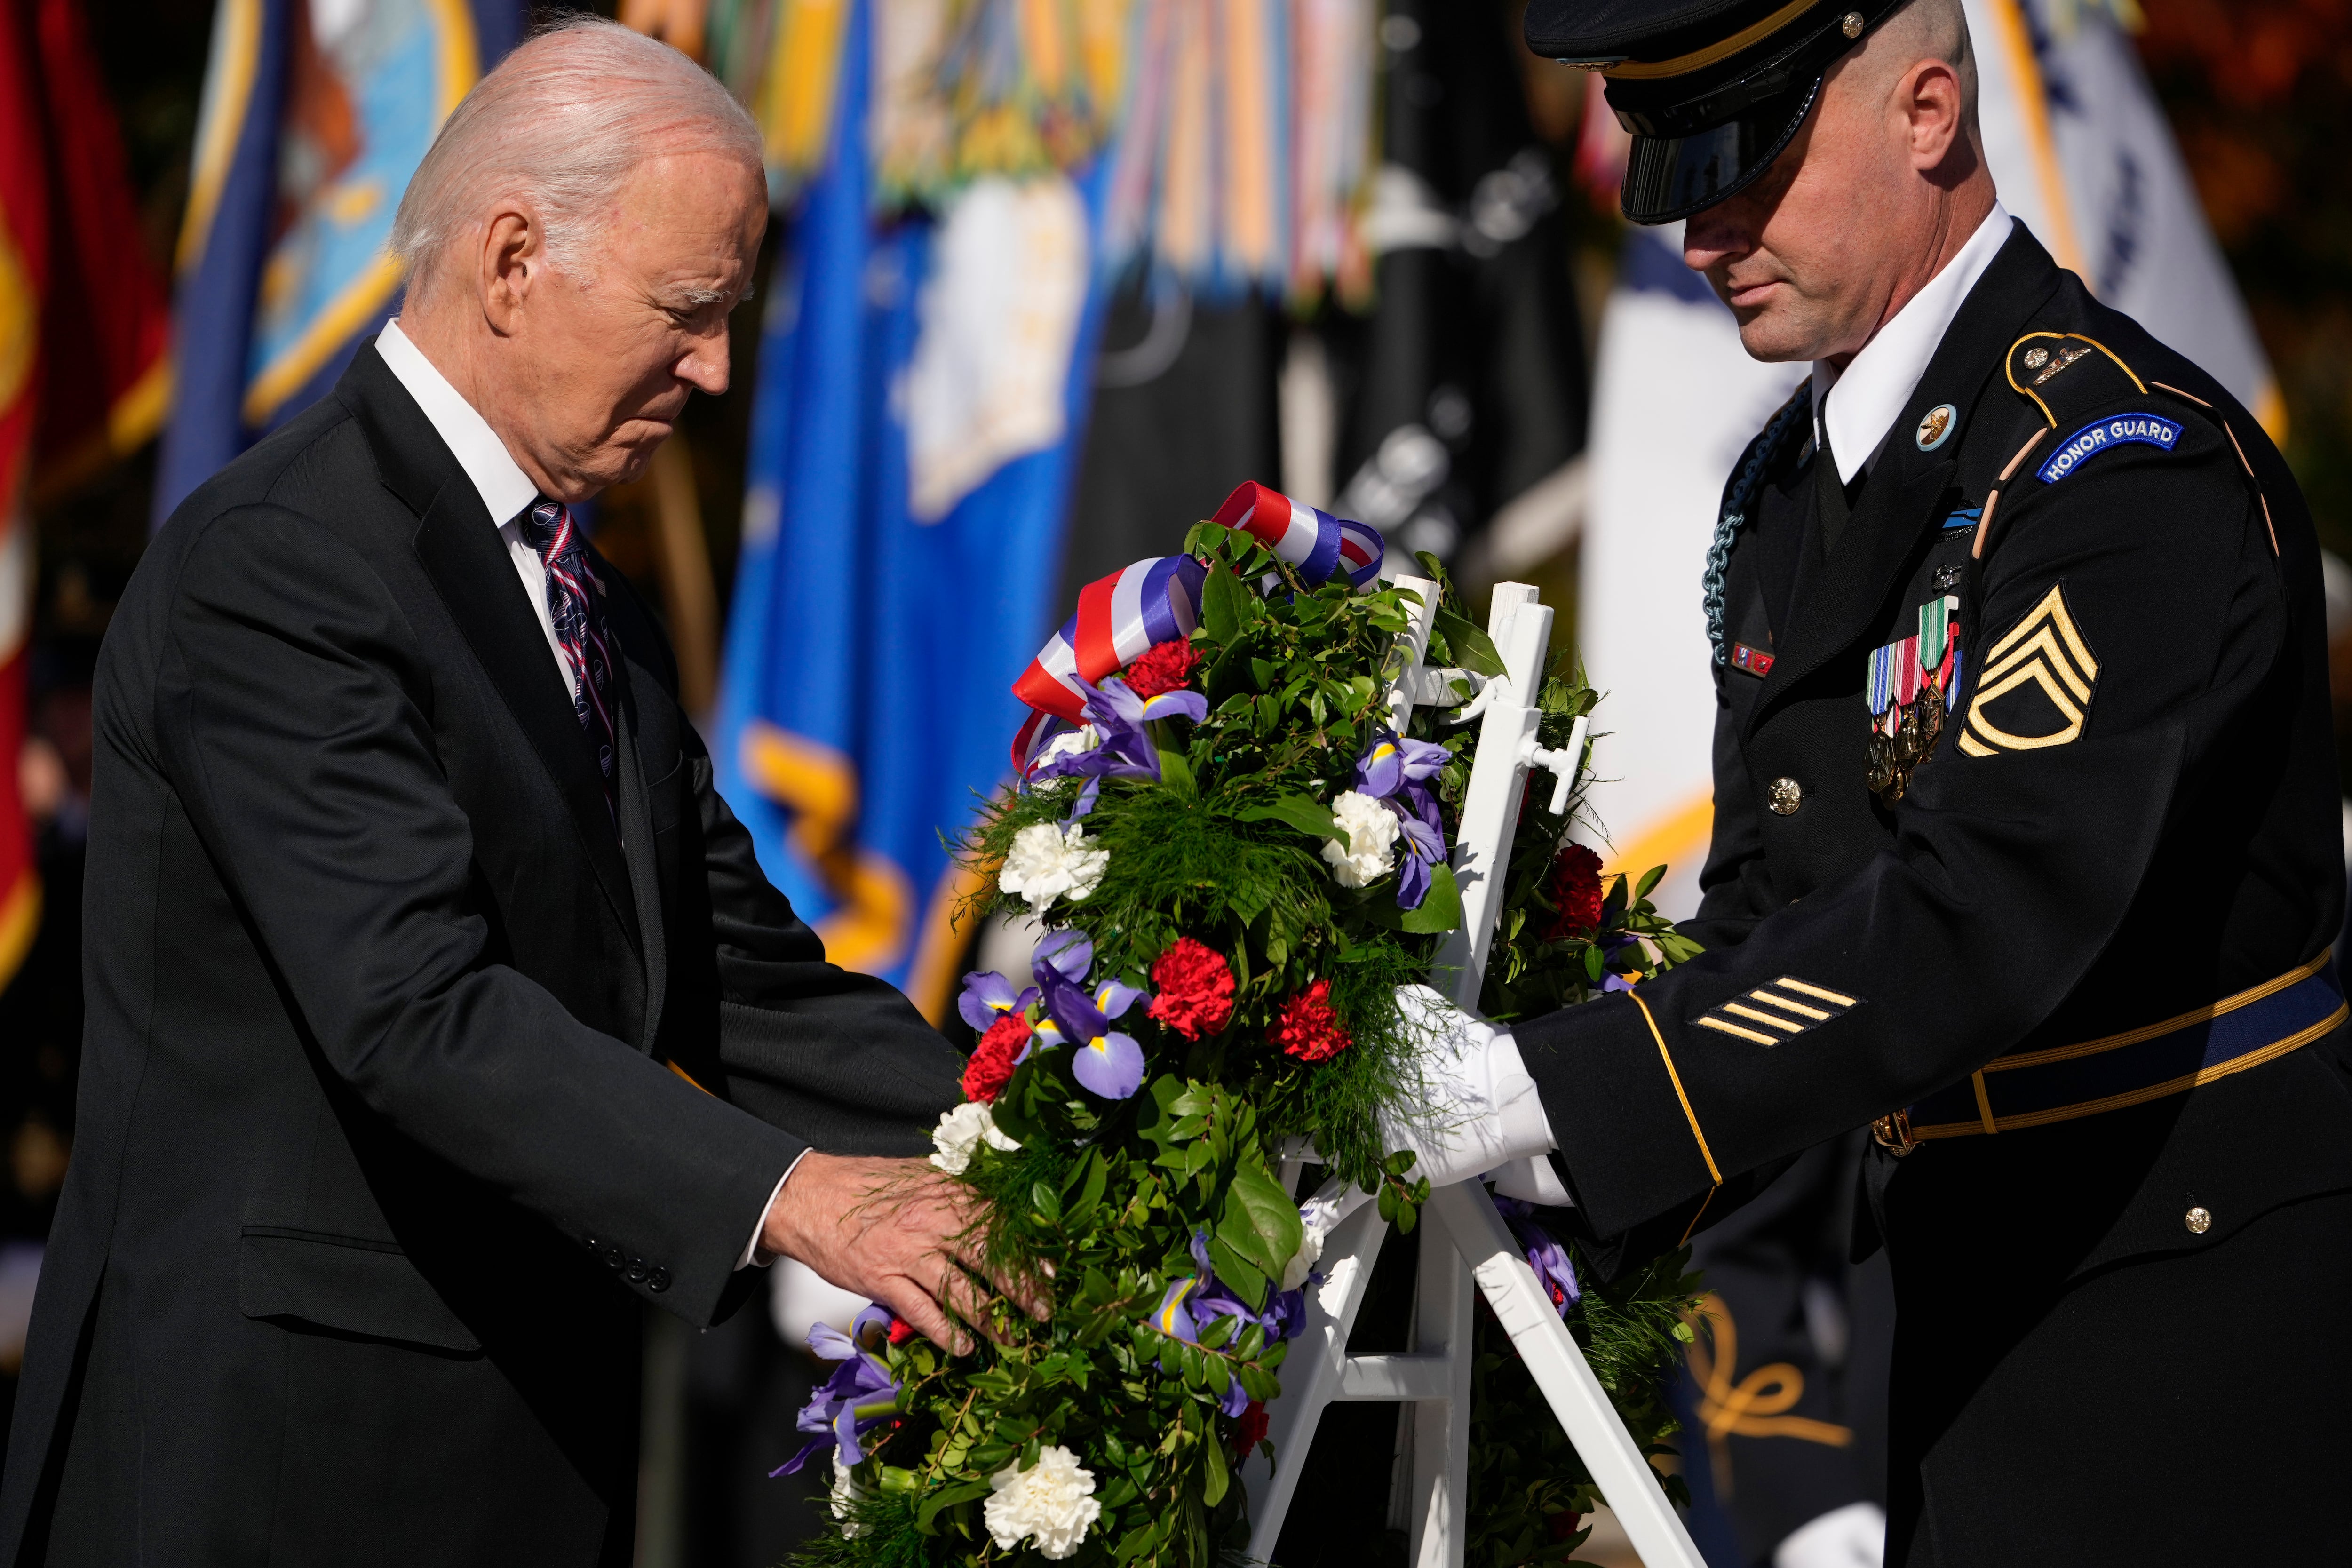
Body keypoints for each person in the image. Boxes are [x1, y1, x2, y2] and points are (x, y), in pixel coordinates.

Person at [0, 21, 1020, 1565]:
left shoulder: (575, 589)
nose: (716, 368)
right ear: (512, 258)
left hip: (511, 1464)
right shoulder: (278, 566)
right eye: (687, 311)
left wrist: (1039, 1157)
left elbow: (736, 977)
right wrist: (808, 1200)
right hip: (277, 1472)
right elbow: (414, 1010)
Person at [1395, 0, 2352, 1562]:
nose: (1700, 229)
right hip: (1964, 1283)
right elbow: (1775, 908)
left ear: (1927, 113)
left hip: (2191, 1316)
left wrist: (1546, 1089)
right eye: (1669, 164)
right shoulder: (1796, 488)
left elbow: (1978, 919)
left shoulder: (2113, 467)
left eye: (1745, 159)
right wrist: (1537, 1169)